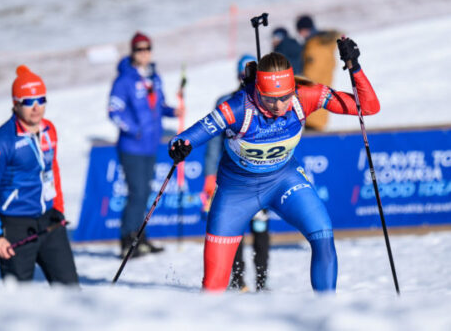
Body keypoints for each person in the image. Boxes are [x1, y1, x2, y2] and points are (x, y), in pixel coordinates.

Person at [169, 38, 380, 292]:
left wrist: (354, 67)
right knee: (214, 285)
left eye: (284, 97)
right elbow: (190, 136)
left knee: (323, 236)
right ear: (257, 89)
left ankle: (327, 315)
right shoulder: (238, 107)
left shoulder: (305, 97)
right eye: (270, 99)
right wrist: (180, 146)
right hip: (237, 191)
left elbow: (368, 107)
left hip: (284, 182)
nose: (279, 106)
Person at [0, 65, 79, 285]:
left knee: (71, 292)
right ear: (15, 103)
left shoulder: (49, 130)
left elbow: (53, 171)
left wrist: (58, 210)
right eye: (28, 101)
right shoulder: (1, 140)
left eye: (41, 100)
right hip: (16, 225)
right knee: (18, 300)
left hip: (50, 221)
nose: (36, 108)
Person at [108, 32, 182, 258]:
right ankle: (127, 240)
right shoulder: (124, 80)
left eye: (147, 48)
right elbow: (114, 112)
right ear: (132, 52)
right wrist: (136, 130)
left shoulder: (154, 77)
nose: (144, 52)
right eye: (139, 49)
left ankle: (141, 237)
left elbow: (158, 105)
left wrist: (172, 111)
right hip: (132, 147)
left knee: (145, 194)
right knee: (136, 193)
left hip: (151, 146)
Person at [203, 54, 270, 292]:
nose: (247, 76)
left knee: (260, 229)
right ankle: (237, 279)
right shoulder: (226, 101)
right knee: (235, 231)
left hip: (260, 178)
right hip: (233, 178)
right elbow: (212, 143)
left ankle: (262, 282)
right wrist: (210, 175)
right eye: (244, 72)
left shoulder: (269, 101)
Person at [296, 15, 341, 131]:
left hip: (312, 105)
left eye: (301, 31)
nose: (300, 35)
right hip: (320, 103)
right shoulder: (321, 45)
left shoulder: (315, 47)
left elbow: (312, 77)